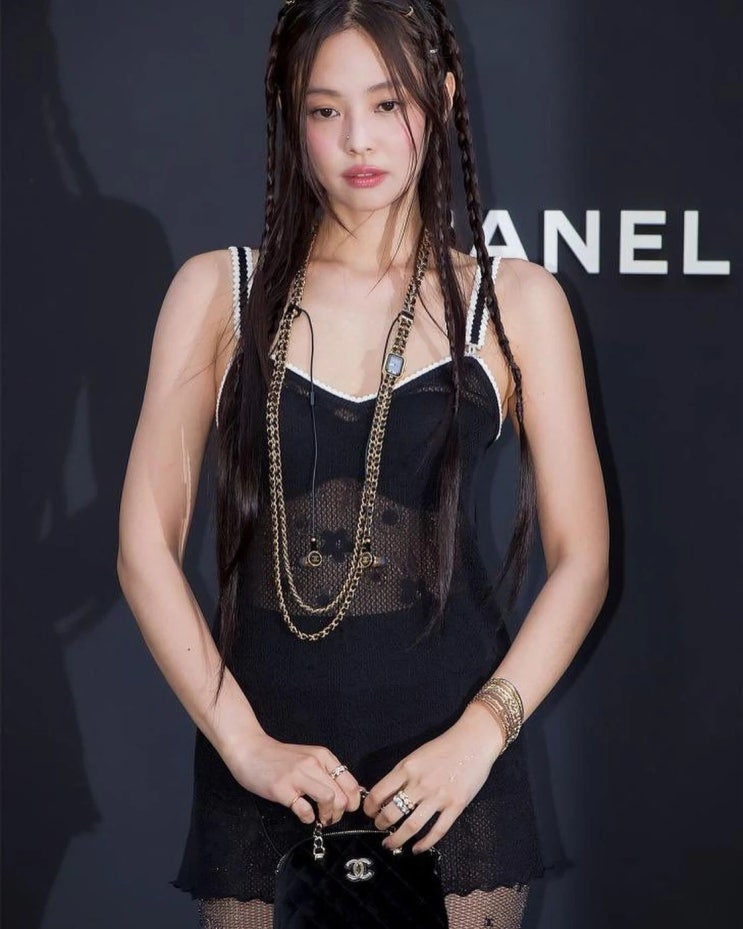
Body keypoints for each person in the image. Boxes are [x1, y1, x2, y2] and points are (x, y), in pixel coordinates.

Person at [117, 1, 609, 926]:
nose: (357, 139)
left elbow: (583, 559)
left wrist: (478, 737)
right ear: (289, 115)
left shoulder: (514, 301)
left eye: (388, 103)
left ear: (442, 99)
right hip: (260, 769)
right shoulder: (217, 293)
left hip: (450, 775)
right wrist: (244, 744)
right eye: (324, 109)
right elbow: (143, 545)